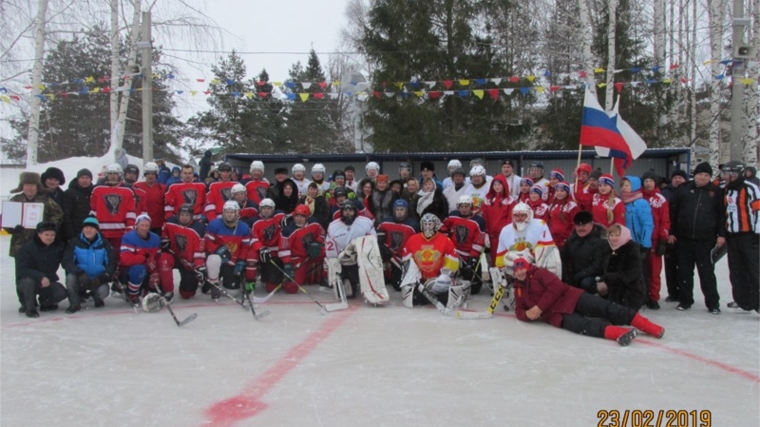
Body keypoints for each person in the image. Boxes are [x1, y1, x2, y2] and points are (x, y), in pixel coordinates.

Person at [512, 258, 664, 347]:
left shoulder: (540, 274)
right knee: (583, 327)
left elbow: (556, 287)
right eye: (516, 270)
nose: (519, 272)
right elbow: (519, 311)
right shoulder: (518, 288)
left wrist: (539, 307)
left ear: (527, 267)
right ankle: (619, 334)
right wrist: (527, 314)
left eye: (522, 269)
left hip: (571, 296)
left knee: (605, 308)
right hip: (556, 315)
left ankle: (650, 327)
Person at [668, 162, 725, 313]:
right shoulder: (684, 189)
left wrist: (721, 234)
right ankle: (685, 300)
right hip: (684, 238)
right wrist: (672, 232)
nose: (703, 178)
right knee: (685, 272)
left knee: (706, 272)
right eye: (700, 174)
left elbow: (721, 215)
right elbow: (673, 212)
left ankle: (713, 304)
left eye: (706, 175)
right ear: (695, 175)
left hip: (705, 240)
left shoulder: (716, 192)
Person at [720, 161, 759, 313]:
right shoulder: (726, 189)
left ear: (736, 174)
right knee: (735, 269)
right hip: (733, 236)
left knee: (753, 269)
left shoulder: (750, 188)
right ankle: (743, 300)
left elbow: (759, 211)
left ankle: (757, 301)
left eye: (728, 174)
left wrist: (757, 233)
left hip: (749, 235)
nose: (725, 177)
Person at [400, 213, 461, 307]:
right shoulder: (413, 239)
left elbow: (453, 261)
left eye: (430, 224)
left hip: (438, 279)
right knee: (414, 298)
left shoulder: (445, 240)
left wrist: (445, 276)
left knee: (446, 297)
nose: (427, 227)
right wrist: (414, 277)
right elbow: (407, 261)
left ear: (436, 225)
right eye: (425, 224)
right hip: (421, 281)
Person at [62, 217, 116, 313]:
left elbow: (112, 263)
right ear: (83, 229)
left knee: (104, 290)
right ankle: (75, 303)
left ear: (96, 230)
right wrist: (79, 272)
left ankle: (94, 297)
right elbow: (66, 261)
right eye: (86, 227)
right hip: (80, 277)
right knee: (70, 278)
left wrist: (103, 278)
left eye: (92, 228)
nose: (88, 230)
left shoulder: (104, 244)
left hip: (97, 279)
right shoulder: (74, 242)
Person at [495, 201, 560, 280]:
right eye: (516, 215)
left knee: (553, 259)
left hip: (536, 265)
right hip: (515, 269)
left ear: (529, 215)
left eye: (523, 215)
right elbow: (501, 259)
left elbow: (547, 249)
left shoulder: (539, 225)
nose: (519, 218)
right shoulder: (505, 231)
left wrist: (528, 257)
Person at [14, 221, 68, 317]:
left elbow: (66, 260)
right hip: (28, 280)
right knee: (28, 282)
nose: (49, 237)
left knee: (61, 293)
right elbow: (23, 269)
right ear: (39, 234)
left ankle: (46, 303)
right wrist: (40, 277)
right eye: (46, 234)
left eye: (52, 235)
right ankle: (29, 308)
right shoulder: (27, 248)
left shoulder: (58, 247)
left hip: (48, 280)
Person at [6, 172, 64, 257]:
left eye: (32, 185)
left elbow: (58, 214)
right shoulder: (15, 200)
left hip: (40, 242)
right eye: (27, 185)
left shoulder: (46, 200)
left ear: (37, 186)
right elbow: (6, 218)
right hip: (20, 243)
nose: (30, 188)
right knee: (21, 269)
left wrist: (47, 226)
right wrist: (12, 228)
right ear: (22, 186)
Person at [326, 200, 377, 297]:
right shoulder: (333, 226)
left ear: (355, 212)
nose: (348, 213)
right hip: (343, 259)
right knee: (348, 293)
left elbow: (372, 240)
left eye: (350, 210)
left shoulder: (366, 222)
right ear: (341, 212)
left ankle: (371, 285)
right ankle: (346, 281)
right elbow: (330, 249)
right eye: (345, 210)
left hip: (362, 257)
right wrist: (336, 262)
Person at [204, 201, 253, 299]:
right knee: (213, 259)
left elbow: (245, 247)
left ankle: (220, 282)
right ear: (223, 212)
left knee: (232, 292)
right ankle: (214, 284)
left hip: (232, 262)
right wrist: (217, 249)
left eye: (232, 212)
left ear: (237, 213)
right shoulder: (214, 224)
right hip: (218, 259)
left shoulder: (244, 227)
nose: (229, 214)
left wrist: (241, 261)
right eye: (227, 212)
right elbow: (207, 243)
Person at [159, 204, 206, 300]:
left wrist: (199, 267)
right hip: (174, 256)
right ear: (178, 215)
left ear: (192, 216)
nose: (184, 218)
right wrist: (165, 240)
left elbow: (199, 252)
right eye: (182, 215)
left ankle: (193, 283)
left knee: (187, 294)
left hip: (188, 262)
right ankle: (168, 291)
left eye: (187, 215)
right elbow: (164, 233)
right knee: (164, 259)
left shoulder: (199, 228)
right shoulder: (170, 222)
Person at [441, 195, 487, 294]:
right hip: (454, 252)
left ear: (471, 207)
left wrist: (473, 258)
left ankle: (474, 282)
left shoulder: (479, 221)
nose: (464, 209)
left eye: (466, 206)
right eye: (461, 207)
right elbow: (444, 225)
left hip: (468, 254)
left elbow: (479, 241)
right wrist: (444, 233)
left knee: (474, 289)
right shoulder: (453, 215)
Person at [89, 163, 136, 255]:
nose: (113, 177)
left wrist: (129, 227)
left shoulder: (128, 191)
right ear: (106, 175)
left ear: (120, 175)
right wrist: (93, 227)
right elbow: (93, 210)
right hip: (101, 231)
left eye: (115, 174)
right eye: (110, 174)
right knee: (102, 256)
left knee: (118, 256)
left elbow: (131, 212)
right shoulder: (97, 189)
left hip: (120, 232)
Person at [597, 224, 646, 310]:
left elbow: (632, 274)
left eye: (617, 235)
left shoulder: (631, 249)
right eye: (611, 235)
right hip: (614, 286)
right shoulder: (608, 248)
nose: (614, 238)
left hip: (630, 288)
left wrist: (608, 277)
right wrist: (601, 280)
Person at [620, 176, 654, 300]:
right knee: (627, 271)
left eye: (627, 185)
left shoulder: (641, 203)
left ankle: (643, 296)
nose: (624, 187)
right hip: (625, 243)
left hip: (638, 243)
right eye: (622, 185)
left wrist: (645, 244)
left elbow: (647, 224)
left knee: (640, 272)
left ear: (634, 186)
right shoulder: (621, 202)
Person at [279, 204, 326, 293]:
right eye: (297, 216)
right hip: (297, 259)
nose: (299, 219)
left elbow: (322, 233)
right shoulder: (288, 230)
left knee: (329, 252)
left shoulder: (314, 223)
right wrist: (288, 263)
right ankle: (299, 276)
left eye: (302, 217)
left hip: (312, 253)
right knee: (291, 288)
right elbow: (283, 249)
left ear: (307, 217)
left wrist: (317, 242)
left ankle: (326, 277)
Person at [641, 171, 670, 309]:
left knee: (654, 272)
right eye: (646, 181)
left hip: (655, 240)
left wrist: (663, 240)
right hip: (640, 240)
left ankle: (653, 297)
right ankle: (641, 295)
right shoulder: (638, 197)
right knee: (640, 270)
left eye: (651, 181)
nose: (648, 183)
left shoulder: (661, 199)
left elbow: (665, 221)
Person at [118, 215, 162, 308]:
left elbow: (157, 258)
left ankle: (143, 290)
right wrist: (144, 260)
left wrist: (155, 273)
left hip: (147, 270)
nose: (144, 228)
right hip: (128, 271)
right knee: (139, 269)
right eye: (142, 225)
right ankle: (132, 294)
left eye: (147, 226)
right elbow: (126, 259)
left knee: (158, 289)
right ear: (136, 225)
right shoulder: (128, 237)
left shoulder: (155, 238)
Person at [376, 199, 420, 290]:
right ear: (394, 210)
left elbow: (417, 243)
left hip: (402, 258)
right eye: (397, 210)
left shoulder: (413, 225)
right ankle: (386, 275)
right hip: (388, 255)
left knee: (398, 286)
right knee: (382, 280)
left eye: (402, 210)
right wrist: (382, 247)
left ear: (406, 210)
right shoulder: (386, 221)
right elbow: (378, 233)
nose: (399, 212)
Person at [561, 211, 606, 292]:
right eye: (578, 225)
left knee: (585, 283)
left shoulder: (601, 241)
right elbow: (563, 258)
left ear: (592, 224)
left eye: (584, 225)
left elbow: (597, 266)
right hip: (576, 273)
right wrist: (566, 276)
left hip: (595, 276)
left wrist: (578, 276)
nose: (580, 228)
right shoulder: (572, 240)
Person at [249, 198, 287, 292]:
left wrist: (288, 218)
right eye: (264, 208)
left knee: (273, 286)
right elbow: (253, 238)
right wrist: (261, 248)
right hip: (261, 250)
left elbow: (294, 215)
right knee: (251, 256)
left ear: (273, 209)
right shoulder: (254, 221)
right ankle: (249, 282)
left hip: (276, 251)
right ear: (260, 209)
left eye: (269, 208)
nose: (266, 210)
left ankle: (275, 278)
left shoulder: (279, 217)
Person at [661, 169, 687, 302]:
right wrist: (668, 232)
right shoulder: (664, 193)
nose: (678, 180)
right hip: (669, 234)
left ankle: (684, 293)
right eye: (675, 177)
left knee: (684, 267)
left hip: (685, 235)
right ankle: (672, 292)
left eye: (681, 178)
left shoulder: (689, 192)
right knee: (670, 266)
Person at [481, 174, 515, 258]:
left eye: (499, 184)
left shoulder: (510, 200)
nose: (497, 187)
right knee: (494, 260)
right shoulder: (488, 200)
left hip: (504, 236)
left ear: (504, 185)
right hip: (492, 237)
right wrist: (486, 233)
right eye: (495, 185)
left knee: (506, 259)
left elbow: (510, 219)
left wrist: (506, 233)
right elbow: (485, 218)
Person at [134, 162, 166, 235]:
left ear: (156, 175)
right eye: (148, 174)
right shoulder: (137, 186)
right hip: (142, 224)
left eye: (153, 174)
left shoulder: (162, 188)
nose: (150, 176)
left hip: (157, 224)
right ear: (145, 174)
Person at [63, 168, 94, 242]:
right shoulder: (70, 193)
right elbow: (67, 214)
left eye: (87, 178)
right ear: (78, 179)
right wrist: (70, 233)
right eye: (82, 178)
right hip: (75, 230)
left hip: (91, 229)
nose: (84, 180)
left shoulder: (94, 192)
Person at [547, 181, 580, 249]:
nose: (559, 193)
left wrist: (572, 237)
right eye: (557, 191)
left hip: (566, 240)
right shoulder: (551, 206)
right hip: (553, 240)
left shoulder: (572, 206)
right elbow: (548, 222)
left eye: (562, 191)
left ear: (567, 192)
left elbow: (575, 224)